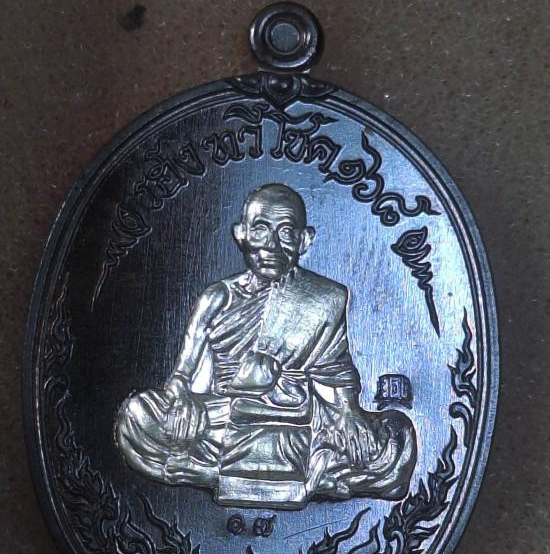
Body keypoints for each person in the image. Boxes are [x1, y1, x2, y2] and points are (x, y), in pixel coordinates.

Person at [116, 184, 416, 508]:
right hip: (225, 416)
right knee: (137, 416)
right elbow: (181, 376)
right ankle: (313, 477)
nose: (272, 245)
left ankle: (210, 472)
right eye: (260, 229)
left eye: (286, 232)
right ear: (241, 234)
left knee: (397, 438)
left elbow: (336, 370)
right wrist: (182, 399)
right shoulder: (218, 297)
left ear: (304, 240)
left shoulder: (326, 298)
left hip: (301, 416)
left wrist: (348, 413)